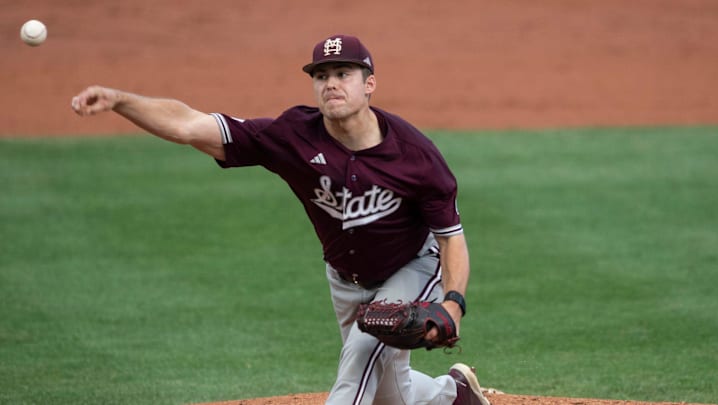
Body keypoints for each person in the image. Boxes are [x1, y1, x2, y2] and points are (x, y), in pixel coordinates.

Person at [71, 34, 490, 405]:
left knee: (359, 361)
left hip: (410, 267)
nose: (331, 83)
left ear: (369, 85)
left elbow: (451, 237)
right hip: (345, 279)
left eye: (343, 73)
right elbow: (189, 125)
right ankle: (454, 396)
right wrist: (120, 101)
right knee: (387, 393)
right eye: (321, 75)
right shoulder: (293, 136)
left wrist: (453, 303)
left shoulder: (415, 156)